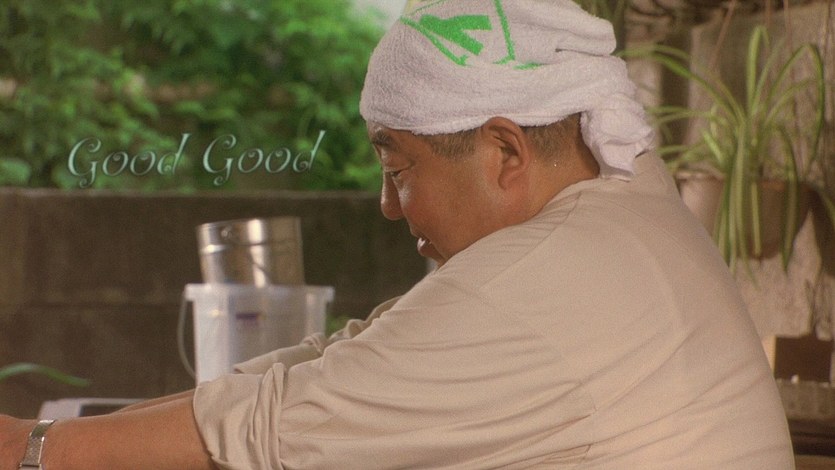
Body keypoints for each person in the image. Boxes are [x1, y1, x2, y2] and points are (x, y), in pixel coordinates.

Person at [0, 0, 795, 468]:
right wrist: (51, 436)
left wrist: (36, 453)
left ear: (503, 151)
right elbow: (341, 356)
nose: (388, 204)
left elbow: (285, 420)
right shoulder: (616, 219)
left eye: (398, 167)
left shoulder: (547, 274)